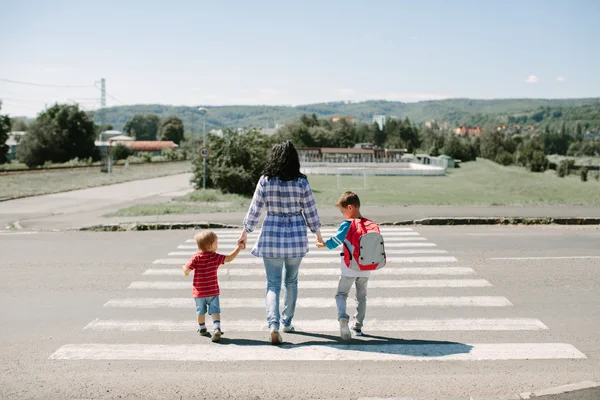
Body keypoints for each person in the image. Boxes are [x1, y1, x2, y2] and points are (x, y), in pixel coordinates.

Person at [238, 141, 323, 345]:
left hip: (271, 236)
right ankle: (287, 322)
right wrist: (317, 233)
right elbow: (310, 210)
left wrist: (245, 232)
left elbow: (255, 209)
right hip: (295, 237)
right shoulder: (301, 182)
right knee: (291, 281)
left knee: (273, 284)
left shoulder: (265, 181)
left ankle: (273, 325)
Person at [316, 191, 370, 340]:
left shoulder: (347, 224)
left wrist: (323, 244)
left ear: (350, 207)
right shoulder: (369, 224)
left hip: (349, 267)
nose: (342, 214)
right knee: (362, 297)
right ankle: (358, 327)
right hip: (366, 268)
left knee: (341, 294)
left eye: (342, 210)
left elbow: (336, 240)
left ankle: (342, 318)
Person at [183, 230, 245, 342]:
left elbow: (187, 269)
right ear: (211, 245)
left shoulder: (196, 257)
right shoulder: (215, 257)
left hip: (199, 292)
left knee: (200, 311)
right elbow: (229, 258)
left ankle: (202, 328)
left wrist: (185, 270)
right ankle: (216, 328)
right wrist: (239, 248)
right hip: (212, 291)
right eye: (216, 243)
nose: (218, 245)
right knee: (215, 311)